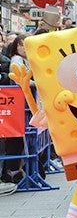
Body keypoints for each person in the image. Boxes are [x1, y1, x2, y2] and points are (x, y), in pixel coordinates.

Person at [1, 34, 30, 183]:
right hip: (16, 105)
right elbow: (19, 81)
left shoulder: (28, 60)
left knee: (19, 140)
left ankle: (15, 171)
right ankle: (10, 172)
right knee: (15, 140)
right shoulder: (16, 60)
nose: (24, 47)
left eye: (26, 44)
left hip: (21, 105)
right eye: (21, 44)